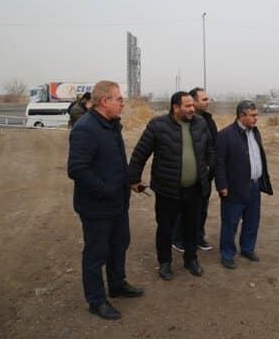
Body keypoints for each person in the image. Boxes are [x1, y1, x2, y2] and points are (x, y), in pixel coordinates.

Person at [67, 80, 143, 320]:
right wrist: (105, 189)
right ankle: (96, 300)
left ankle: (117, 285)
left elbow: (116, 161)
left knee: (119, 245)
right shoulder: (85, 128)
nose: (123, 103)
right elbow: (77, 169)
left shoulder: (112, 125)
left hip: (118, 204)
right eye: (119, 99)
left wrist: (129, 181)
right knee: (96, 254)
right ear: (104, 101)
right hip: (96, 207)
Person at [129, 91, 215, 280]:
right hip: (167, 189)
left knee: (192, 226)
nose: (192, 109)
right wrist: (134, 178)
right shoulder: (158, 125)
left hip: (195, 188)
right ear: (175, 107)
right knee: (165, 227)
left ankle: (191, 260)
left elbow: (210, 148)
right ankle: (165, 263)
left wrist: (209, 167)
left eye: (193, 105)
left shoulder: (200, 123)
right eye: (187, 106)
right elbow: (140, 153)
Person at [215, 100, 273, 269]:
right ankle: (227, 254)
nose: (256, 118)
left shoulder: (255, 132)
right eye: (253, 115)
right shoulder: (225, 135)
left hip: (254, 186)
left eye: (256, 115)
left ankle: (247, 248)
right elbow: (219, 163)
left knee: (252, 221)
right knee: (230, 223)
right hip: (234, 187)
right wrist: (222, 186)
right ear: (241, 115)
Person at [172, 87, 218, 253]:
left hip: (204, 176)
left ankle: (198, 237)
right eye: (204, 99)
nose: (208, 102)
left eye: (207, 99)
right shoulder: (180, 122)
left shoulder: (207, 120)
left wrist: (210, 166)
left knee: (202, 208)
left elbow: (212, 146)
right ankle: (178, 239)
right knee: (182, 210)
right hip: (185, 176)